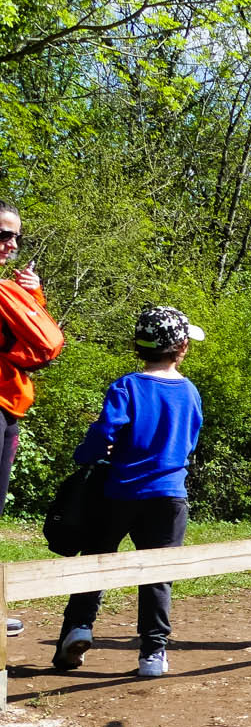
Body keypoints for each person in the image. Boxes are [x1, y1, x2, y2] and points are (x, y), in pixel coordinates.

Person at [53, 306, 205, 677]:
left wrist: (85, 455)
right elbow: (190, 440)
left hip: (118, 491)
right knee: (157, 573)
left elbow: (106, 432)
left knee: (97, 560)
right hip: (169, 495)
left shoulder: (127, 386)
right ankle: (153, 653)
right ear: (182, 346)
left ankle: (79, 628)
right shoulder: (189, 391)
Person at [0, 202, 47, 517]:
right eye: (4, 235)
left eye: (16, 237)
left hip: (10, 406)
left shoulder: (7, 292)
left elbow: (37, 343)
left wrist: (33, 298)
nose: (12, 245)